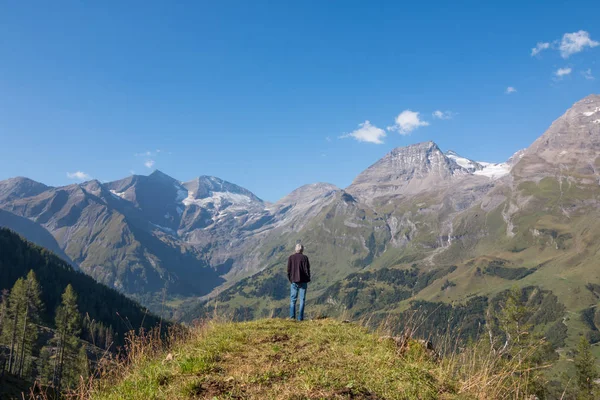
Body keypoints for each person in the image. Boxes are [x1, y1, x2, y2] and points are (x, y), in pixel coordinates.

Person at [287, 243, 311, 321]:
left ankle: (292, 317)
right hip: (303, 281)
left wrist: (290, 279)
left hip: (294, 280)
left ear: (295, 249)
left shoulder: (291, 257)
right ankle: (300, 318)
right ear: (302, 250)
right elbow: (307, 270)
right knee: (302, 300)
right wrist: (307, 278)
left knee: (293, 300)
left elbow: (288, 270)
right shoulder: (305, 258)